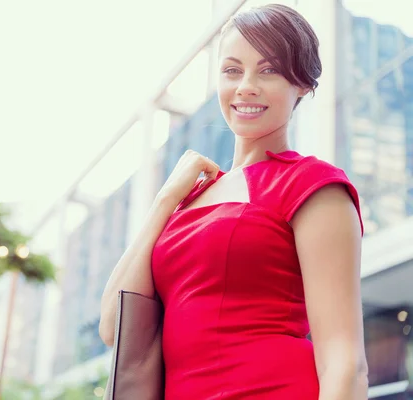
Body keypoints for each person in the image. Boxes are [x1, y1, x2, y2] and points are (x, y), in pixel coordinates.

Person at [99, 4, 369, 400]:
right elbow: (113, 327)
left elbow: (344, 362)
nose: (246, 85)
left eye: (269, 70)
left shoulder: (312, 184)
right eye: (231, 70)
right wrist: (165, 199)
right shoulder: (183, 201)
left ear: (303, 85)